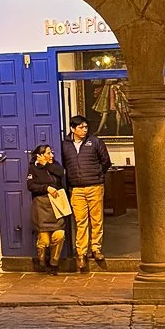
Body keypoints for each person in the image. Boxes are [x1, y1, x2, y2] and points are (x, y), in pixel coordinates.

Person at [60, 115, 112, 270]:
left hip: (94, 186)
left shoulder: (95, 142)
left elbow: (106, 161)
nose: (84, 130)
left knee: (96, 219)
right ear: (72, 129)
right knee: (80, 222)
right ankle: (81, 253)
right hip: (76, 189)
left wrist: (98, 175)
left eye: (86, 127)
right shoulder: (65, 145)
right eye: (81, 127)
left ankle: (96, 249)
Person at [26, 144, 68, 274]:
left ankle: (54, 263)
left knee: (59, 235)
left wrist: (47, 165)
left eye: (51, 153)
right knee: (44, 240)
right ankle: (42, 261)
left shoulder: (54, 165)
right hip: (42, 207)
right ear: (40, 155)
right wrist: (46, 188)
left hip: (56, 206)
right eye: (48, 153)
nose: (52, 155)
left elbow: (61, 173)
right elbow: (31, 186)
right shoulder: (33, 169)